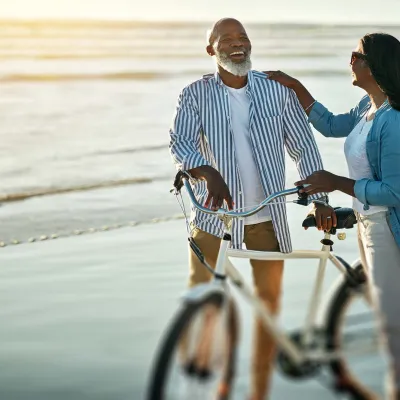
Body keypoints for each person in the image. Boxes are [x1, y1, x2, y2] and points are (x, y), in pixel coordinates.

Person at [169, 17, 333, 400]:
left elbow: (303, 148)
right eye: (226, 39)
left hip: (266, 217)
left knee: (268, 307)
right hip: (214, 218)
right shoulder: (194, 93)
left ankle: (258, 392)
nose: (237, 43)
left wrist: (321, 197)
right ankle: (196, 382)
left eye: (242, 37)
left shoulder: (276, 91)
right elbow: (180, 141)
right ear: (212, 50)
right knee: (203, 299)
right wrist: (205, 170)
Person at [266, 32, 400, 399]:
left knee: (391, 327)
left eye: (356, 55)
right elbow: (330, 125)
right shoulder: (366, 107)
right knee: (388, 321)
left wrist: (334, 182)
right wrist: (295, 86)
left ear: (373, 65)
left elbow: (394, 193)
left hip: (387, 229)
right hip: (366, 224)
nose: (350, 60)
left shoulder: (394, 121)